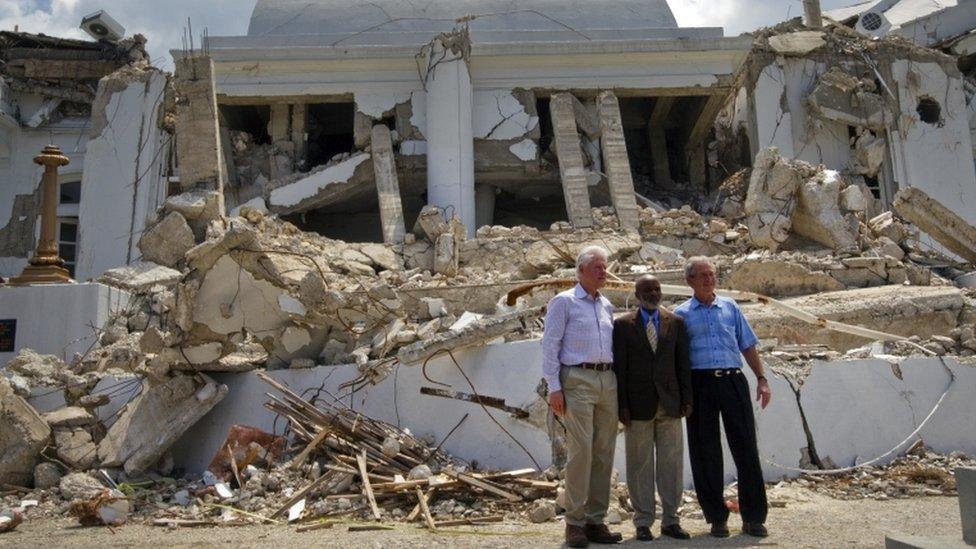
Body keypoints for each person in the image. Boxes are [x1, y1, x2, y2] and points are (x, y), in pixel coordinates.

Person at [674, 257, 772, 538]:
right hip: (700, 384)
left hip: (732, 380)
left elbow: (748, 344)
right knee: (705, 451)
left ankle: (753, 517)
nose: (708, 279)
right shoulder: (680, 314)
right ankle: (717, 518)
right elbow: (677, 358)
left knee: (746, 448)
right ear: (689, 281)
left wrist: (762, 379)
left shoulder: (730, 307)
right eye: (702, 275)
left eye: (712, 274)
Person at [541, 245, 621, 547]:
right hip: (577, 378)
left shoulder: (607, 305)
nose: (604, 272)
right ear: (581, 271)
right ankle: (574, 522)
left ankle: (596, 520)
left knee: (604, 451)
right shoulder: (564, 302)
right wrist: (554, 387)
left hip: (607, 379)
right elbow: (550, 345)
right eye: (598, 267)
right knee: (581, 451)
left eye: (605, 266)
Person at [612, 274, 692, 541]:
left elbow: (683, 364)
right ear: (637, 294)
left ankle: (671, 520)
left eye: (657, 289)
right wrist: (621, 404)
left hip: (670, 404)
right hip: (637, 405)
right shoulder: (623, 326)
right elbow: (619, 369)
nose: (653, 294)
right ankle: (643, 521)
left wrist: (686, 399)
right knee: (639, 465)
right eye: (647, 290)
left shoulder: (676, 322)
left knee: (671, 464)